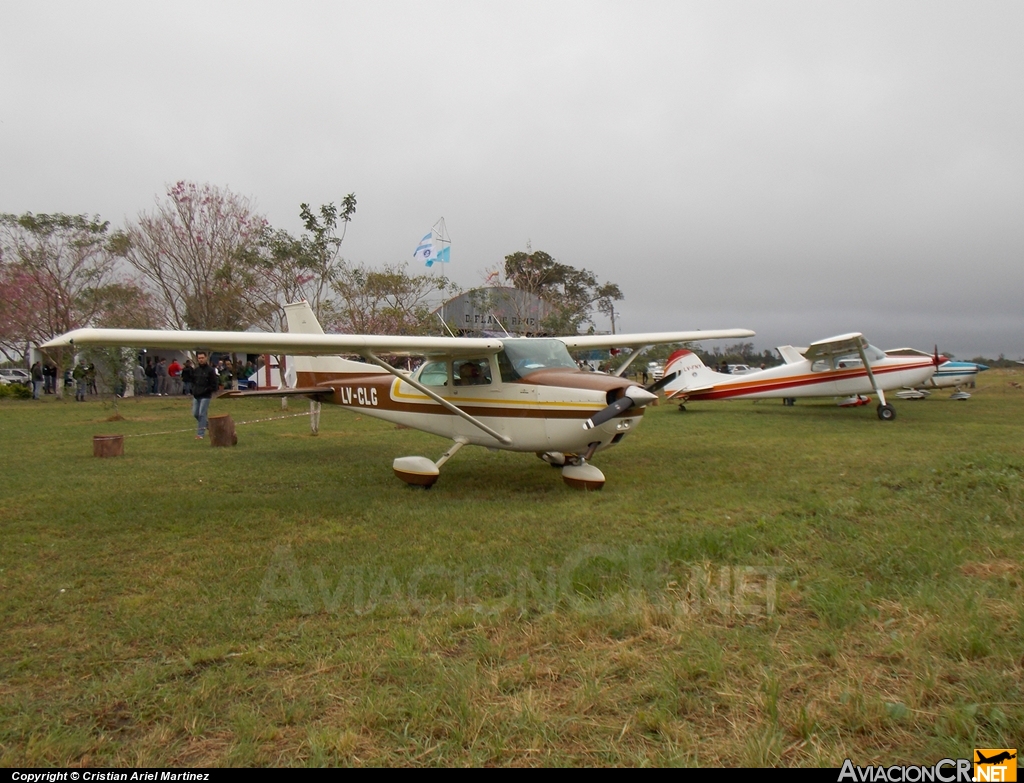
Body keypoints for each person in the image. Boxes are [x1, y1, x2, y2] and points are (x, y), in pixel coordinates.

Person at [191, 351, 218, 439]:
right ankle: (209, 426)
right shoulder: (196, 370)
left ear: (206, 358)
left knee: (202, 414)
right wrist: (194, 390)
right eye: (199, 358)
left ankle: (200, 434)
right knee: (195, 413)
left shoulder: (210, 370)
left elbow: (214, 384)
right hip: (196, 395)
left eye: (202, 358)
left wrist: (207, 390)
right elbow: (194, 381)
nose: (201, 360)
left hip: (205, 396)